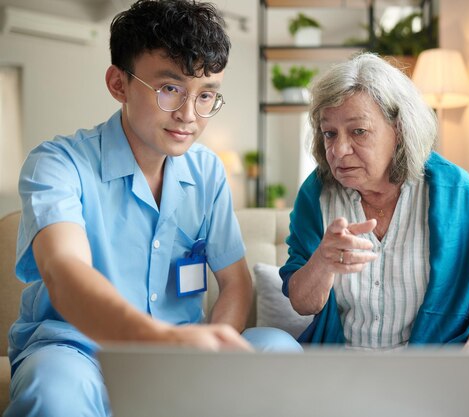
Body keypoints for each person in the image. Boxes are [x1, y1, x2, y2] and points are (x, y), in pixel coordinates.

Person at [5, 1, 300, 416]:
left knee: (279, 349)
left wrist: (207, 352)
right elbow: (64, 273)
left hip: (184, 353)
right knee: (53, 391)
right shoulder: (57, 163)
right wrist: (158, 343)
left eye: (206, 96)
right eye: (170, 89)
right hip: (79, 350)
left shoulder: (208, 171)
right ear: (118, 83)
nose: (188, 116)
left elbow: (234, 284)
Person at [279, 53, 469, 352]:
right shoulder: (315, 196)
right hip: (340, 370)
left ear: (400, 130)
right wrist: (323, 262)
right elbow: (303, 304)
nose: (339, 150)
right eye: (330, 134)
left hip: (429, 371)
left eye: (358, 131)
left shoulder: (455, 193)